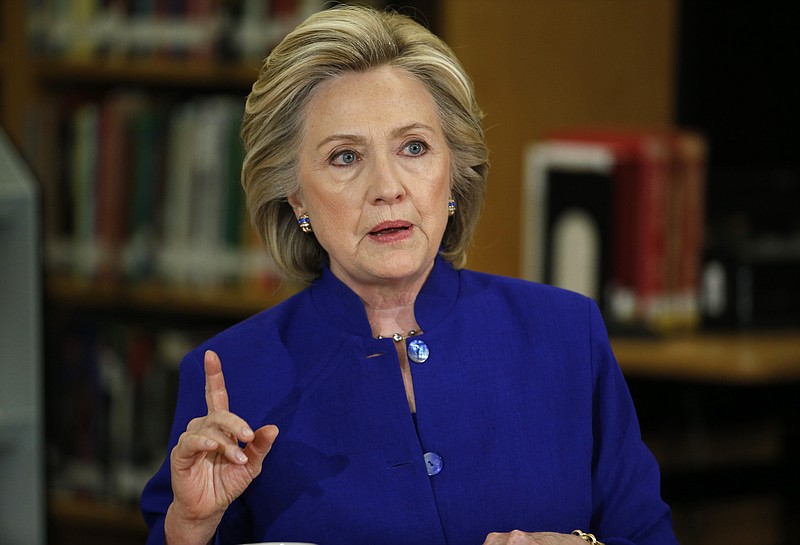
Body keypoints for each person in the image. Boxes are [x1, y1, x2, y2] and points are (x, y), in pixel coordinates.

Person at [140, 5, 679, 545]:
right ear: (296, 195)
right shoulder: (229, 375)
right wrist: (190, 529)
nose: (388, 187)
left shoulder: (565, 333)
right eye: (345, 157)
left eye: (414, 148)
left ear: (453, 171)